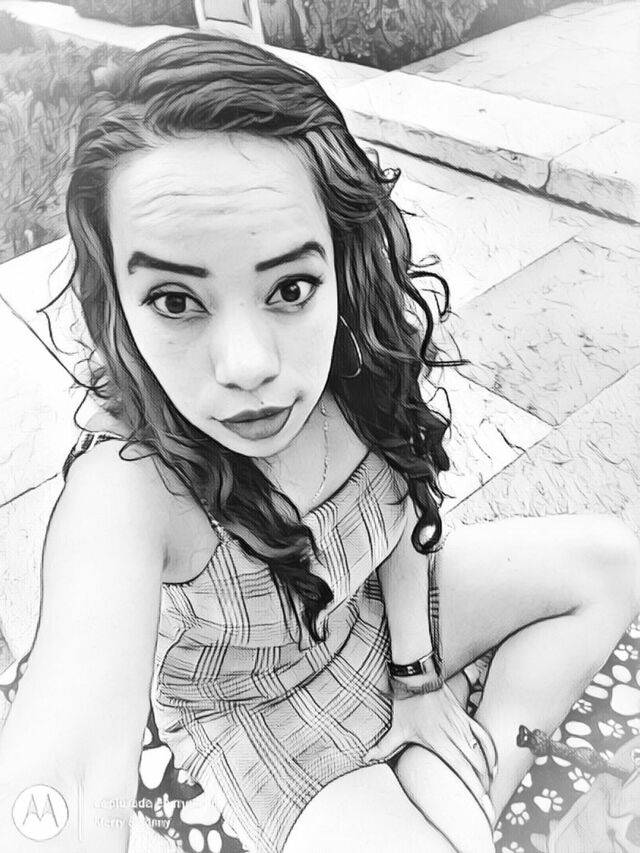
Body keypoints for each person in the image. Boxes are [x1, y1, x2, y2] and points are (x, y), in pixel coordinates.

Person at [0, 32, 639, 853]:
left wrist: (418, 681)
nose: (248, 366)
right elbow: (70, 765)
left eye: (290, 287)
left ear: (342, 263)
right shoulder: (128, 488)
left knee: (611, 562)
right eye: (175, 300)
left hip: (374, 623)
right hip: (266, 719)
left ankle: (465, 776)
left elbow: (402, 518)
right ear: (116, 300)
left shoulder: (355, 361)